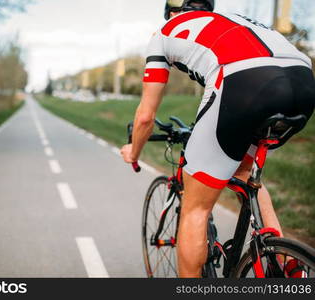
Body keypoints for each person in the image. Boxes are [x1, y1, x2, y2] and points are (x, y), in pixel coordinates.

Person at [121, 0, 315, 278]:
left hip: (245, 81)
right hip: (304, 82)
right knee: (246, 172)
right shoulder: (230, 21)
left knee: (195, 208)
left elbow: (144, 117)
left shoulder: (165, 31)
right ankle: (286, 267)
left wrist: (134, 152)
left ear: (172, 13)